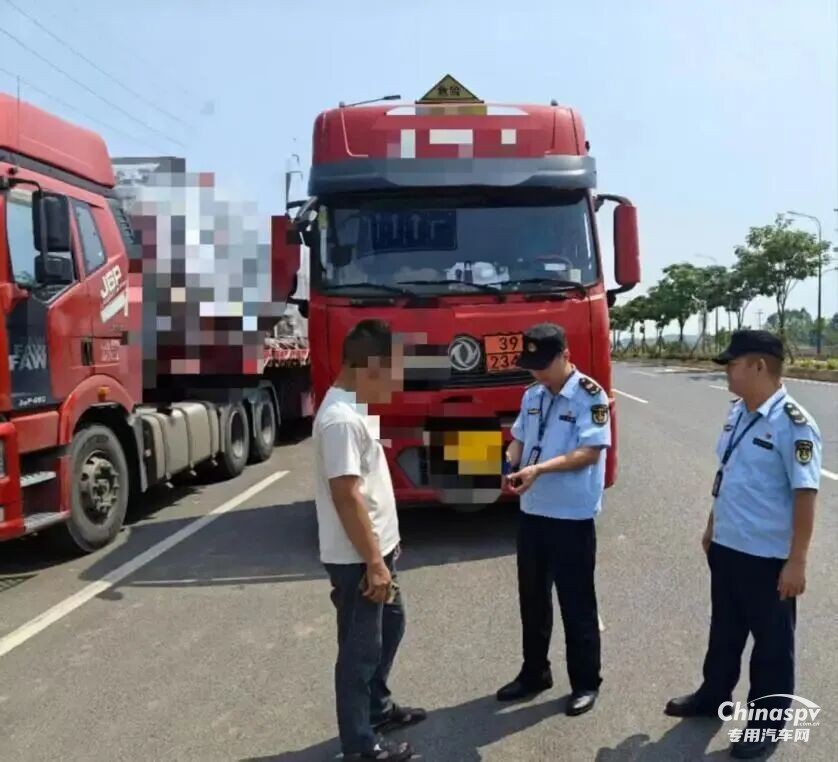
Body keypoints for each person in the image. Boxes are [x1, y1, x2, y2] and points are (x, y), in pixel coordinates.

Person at [664, 330, 822, 760]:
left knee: (771, 648)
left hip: (768, 558)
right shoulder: (739, 414)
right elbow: (729, 477)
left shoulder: (794, 423)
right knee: (725, 632)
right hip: (729, 548)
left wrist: (798, 562)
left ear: (758, 366)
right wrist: (712, 526)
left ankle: (766, 727)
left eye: (732, 365)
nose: (726, 372)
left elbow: (805, 496)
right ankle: (713, 696)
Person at [312, 319, 426, 761]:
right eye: (394, 372)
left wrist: (389, 544)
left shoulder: (356, 407)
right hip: (358, 559)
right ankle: (360, 746)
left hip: (376, 552)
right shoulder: (341, 420)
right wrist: (375, 562)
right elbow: (346, 495)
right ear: (371, 366)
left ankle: (377, 709)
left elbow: (369, 487)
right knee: (359, 653)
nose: (397, 383)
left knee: (391, 626)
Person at [497, 322, 611, 716]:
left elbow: (590, 453)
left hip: (571, 518)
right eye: (532, 366)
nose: (538, 373)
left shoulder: (589, 397)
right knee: (532, 600)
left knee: (577, 603)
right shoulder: (532, 394)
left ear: (565, 355)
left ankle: (585, 682)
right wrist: (508, 461)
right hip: (532, 514)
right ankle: (534, 673)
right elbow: (520, 439)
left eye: (544, 365)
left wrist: (539, 470)